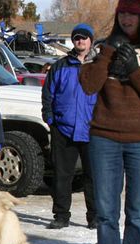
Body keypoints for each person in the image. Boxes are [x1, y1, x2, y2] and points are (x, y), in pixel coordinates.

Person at [79, 0, 140, 244]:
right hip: (104, 138)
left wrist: (134, 71)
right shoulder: (102, 47)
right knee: (106, 213)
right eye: (124, 13)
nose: (128, 19)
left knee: (138, 213)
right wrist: (106, 54)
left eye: (134, 14)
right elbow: (89, 85)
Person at [42, 23, 98, 230]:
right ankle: (61, 216)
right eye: (77, 38)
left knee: (93, 177)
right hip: (63, 129)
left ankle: (94, 217)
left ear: (91, 40)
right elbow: (48, 95)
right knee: (61, 176)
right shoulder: (60, 66)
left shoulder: (99, 67)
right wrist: (50, 119)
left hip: (92, 130)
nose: (80, 41)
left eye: (84, 37)